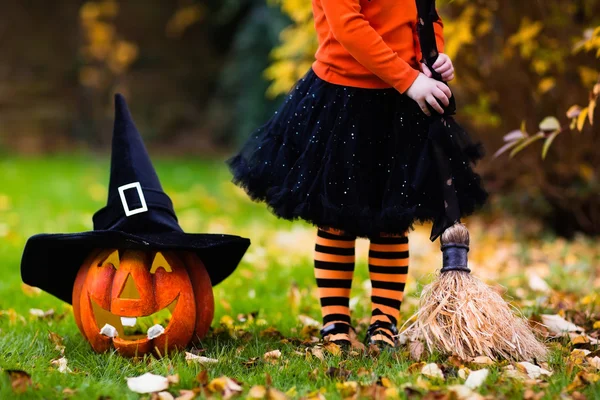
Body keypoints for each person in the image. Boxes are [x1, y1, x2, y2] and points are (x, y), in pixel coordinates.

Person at [227, 0, 487, 349]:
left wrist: (433, 55)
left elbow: (425, 15)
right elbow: (348, 26)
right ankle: (335, 321)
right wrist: (409, 80)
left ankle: (384, 322)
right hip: (345, 98)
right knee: (337, 219)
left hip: (401, 101)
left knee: (391, 221)